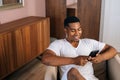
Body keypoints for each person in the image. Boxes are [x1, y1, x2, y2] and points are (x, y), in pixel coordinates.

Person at [41, 16, 117, 80]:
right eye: (73, 30)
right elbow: (45, 59)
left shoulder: (89, 42)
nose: (77, 33)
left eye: (79, 29)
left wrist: (101, 57)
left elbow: (113, 50)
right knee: (73, 71)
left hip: (90, 78)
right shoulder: (58, 44)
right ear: (65, 30)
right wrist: (74, 60)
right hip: (69, 77)